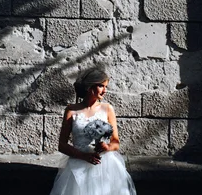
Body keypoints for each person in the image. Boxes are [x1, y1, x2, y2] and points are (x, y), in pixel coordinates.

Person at [49, 67, 137, 195]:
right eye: (101, 86)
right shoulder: (71, 110)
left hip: (105, 165)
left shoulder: (107, 109)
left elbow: (116, 143)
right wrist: (83, 156)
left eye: (106, 86)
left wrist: (106, 146)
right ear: (90, 87)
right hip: (78, 164)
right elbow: (62, 145)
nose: (105, 90)